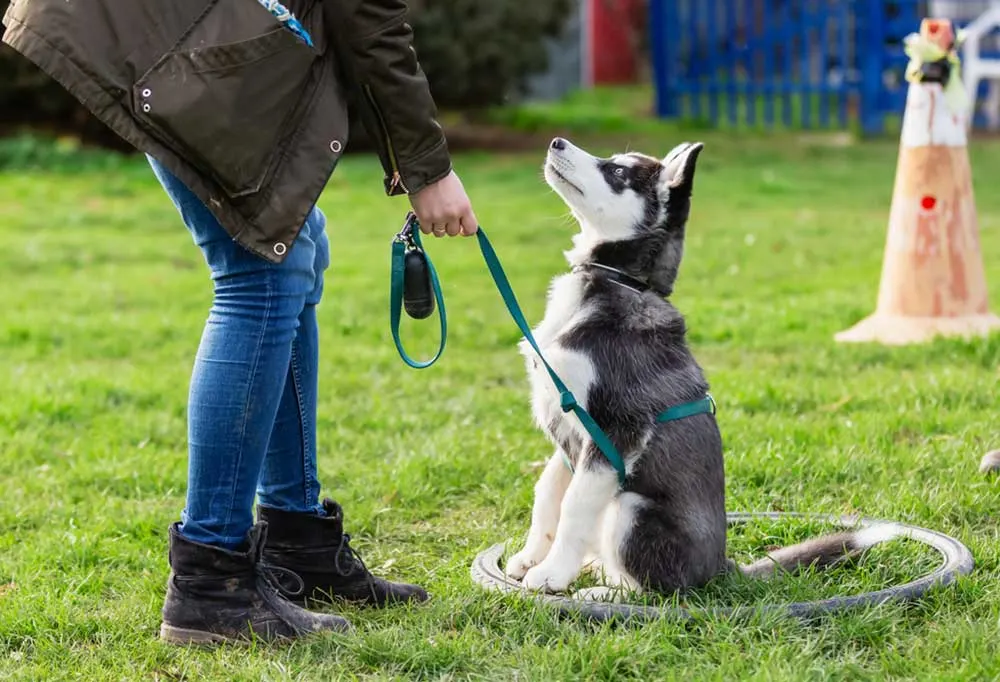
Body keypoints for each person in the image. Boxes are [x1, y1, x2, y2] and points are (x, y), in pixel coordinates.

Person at [3, 0, 477, 645]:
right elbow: (369, 22)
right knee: (260, 276)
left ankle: (297, 541)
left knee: (292, 247)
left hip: (172, 26)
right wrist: (429, 170)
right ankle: (210, 583)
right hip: (157, 30)